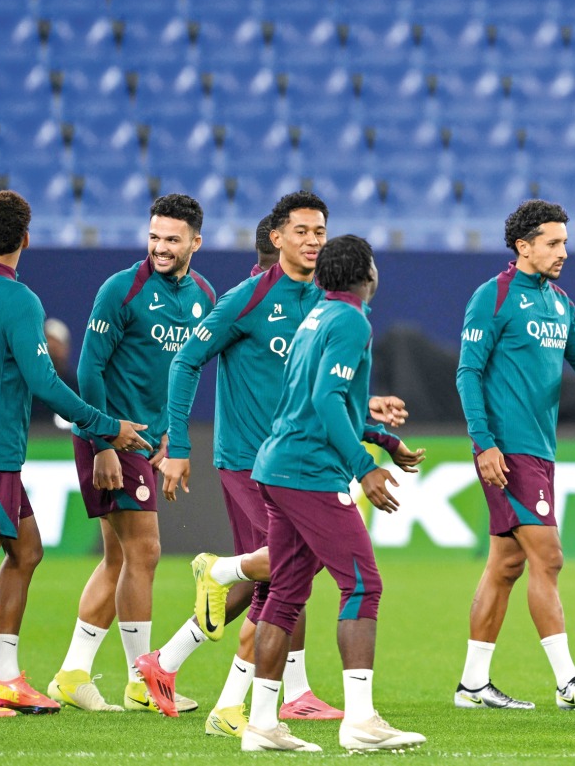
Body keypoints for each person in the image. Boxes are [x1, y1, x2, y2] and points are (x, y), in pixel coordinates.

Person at [139, 193, 418, 728]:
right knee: (291, 574)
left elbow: (319, 391)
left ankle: (173, 663)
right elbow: (185, 362)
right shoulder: (247, 299)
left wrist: (371, 419)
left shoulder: (325, 304)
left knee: (287, 576)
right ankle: (251, 697)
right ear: (277, 238)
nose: (313, 240)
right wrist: (177, 445)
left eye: (320, 232)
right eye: (303, 231)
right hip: (249, 459)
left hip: (303, 459)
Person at [0, 190, 150, 717]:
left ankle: (5, 679)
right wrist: (106, 425)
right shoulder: (19, 301)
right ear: (25, 239)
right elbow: (44, 381)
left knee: (26, 552)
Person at [242, 235, 426, 752]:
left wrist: (384, 439)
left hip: (278, 465)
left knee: (284, 593)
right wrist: (363, 467)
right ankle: (361, 721)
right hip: (309, 472)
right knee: (363, 585)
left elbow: (323, 398)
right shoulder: (351, 321)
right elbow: (325, 398)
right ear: (368, 272)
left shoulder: (317, 317)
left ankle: (260, 725)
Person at [454, 199, 575, 712]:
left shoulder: (560, 303)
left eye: (565, 242)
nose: (563, 252)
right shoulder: (494, 296)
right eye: (552, 242)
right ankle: (567, 681)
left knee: (505, 565)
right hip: (508, 451)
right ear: (523, 246)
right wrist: (482, 443)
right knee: (548, 557)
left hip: (540, 450)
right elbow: (468, 372)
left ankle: (472, 684)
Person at [47, 194, 216, 714]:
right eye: (154, 237)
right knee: (144, 552)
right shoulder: (121, 290)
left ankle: (73, 674)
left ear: (195, 242)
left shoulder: (204, 296)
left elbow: (184, 370)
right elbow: (91, 371)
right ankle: (142, 681)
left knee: (119, 556)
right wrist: (102, 444)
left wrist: (170, 435)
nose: (160, 248)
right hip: (113, 435)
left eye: (172, 239)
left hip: (147, 439)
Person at [30, 318, 77, 427]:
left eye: (56, 348)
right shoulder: (27, 390)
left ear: (66, 349)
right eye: (47, 348)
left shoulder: (77, 389)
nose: (52, 353)